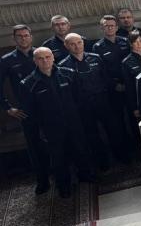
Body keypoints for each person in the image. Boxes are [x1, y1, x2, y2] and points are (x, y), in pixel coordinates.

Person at [19, 48, 93, 198]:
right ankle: (64, 185)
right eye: (40, 58)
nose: (45, 61)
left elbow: (79, 98)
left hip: (73, 122)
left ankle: (85, 175)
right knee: (58, 158)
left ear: (53, 57)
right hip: (51, 127)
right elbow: (30, 112)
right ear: (35, 61)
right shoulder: (28, 83)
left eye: (47, 57)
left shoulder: (68, 73)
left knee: (80, 149)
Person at [60, 33, 129, 168]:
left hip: (103, 101)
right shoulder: (63, 66)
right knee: (92, 135)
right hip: (83, 106)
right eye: (73, 44)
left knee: (114, 130)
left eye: (79, 42)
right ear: (66, 46)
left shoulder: (96, 58)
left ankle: (122, 157)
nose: (77, 46)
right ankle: (102, 163)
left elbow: (106, 79)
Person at [1, 25, 49, 193]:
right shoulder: (7, 60)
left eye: (26, 35)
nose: (23, 38)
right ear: (14, 39)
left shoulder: (42, 53)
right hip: (26, 110)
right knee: (34, 146)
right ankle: (42, 181)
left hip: (49, 107)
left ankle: (61, 175)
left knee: (55, 142)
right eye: (19, 36)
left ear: (31, 36)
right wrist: (8, 108)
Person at [92, 15, 130, 130]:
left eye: (112, 26)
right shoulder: (97, 47)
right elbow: (100, 72)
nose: (109, 28)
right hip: (113, 88)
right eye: (106, 26)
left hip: (129, 85)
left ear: (117, 27)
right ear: (102, 28)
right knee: (118, 120)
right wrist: (114, 85)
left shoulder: (125, 41)